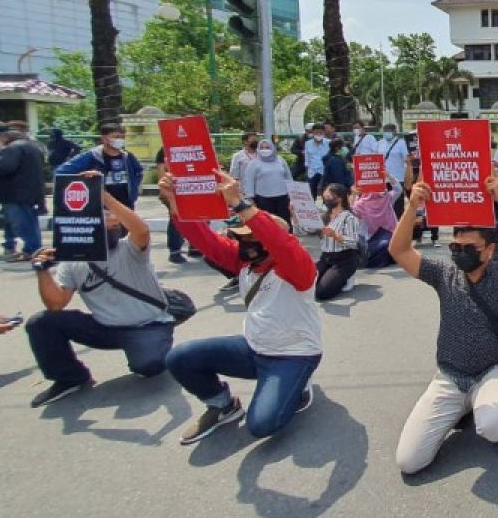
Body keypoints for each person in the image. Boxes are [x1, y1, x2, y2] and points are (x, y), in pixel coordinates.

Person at [389, 173, 498, 474]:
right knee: (408, 462)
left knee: (495, 426)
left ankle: (490, 414)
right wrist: (412, 207)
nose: (460, 253)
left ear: (488, 250)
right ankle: (464, 407)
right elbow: (400, 250)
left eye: (469, 248)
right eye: (455, 247)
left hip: (492, 370)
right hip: (449, 376)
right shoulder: (443, 274)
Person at [162, 171, 321, 445]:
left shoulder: (297, 269)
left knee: (261, 424)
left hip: (293, 355)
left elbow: (282, 244)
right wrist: (175, 206)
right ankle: (223, 405)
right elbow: (207, 242)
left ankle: (297, 385)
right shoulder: (245, 265)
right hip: (253, 348)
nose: (244, 242)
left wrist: (240, 204)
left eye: (251, 237)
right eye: (241, 237)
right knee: (179, 357)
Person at [24, 175, 174, 408]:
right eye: (104, 219)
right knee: (41, 322)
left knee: (148, 366)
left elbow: (141, 230)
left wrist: (101, 194)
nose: (112, 222)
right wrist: (41, 270)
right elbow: (56, 304)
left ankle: (160, 348)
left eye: (113, 220)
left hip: (147, 325)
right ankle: (69, 378)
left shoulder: (128, 249)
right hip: (106, 328)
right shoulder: (73, 262)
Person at [56, 123, 143, 208]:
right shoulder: (91, 156)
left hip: (126, 205)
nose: (120, 140)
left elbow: (138, 172)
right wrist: (85, 177)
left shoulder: (128, 157)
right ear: (104, 139)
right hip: (100, 206)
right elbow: (62, 171)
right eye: (116, 137)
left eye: (122, 137)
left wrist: (133, 191)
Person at [0, 124, 46, 263]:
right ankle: (10, 247)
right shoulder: (33, 148)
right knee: (18, 222)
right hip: (29, 192)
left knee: (22, 224)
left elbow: (5, 168)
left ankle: (32, 250)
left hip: (15, 193)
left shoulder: (12, 149)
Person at [315, 183, 360, 300]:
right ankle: (331, 276)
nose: (326, 200)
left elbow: (354, 242)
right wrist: (295, 213)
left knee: (322, 293)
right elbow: (305, 229)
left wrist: (335, 235)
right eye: (324, 197)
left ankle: (347, 277)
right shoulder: (324, 216)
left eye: (328, 197)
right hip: (326, 257)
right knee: (305, 285)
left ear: (339, 198)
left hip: (344, 259)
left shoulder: (349, 218)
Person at [242, 139, 293, 228]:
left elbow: (288, 177)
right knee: (268, 224)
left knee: (285, 222)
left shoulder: (281, 160)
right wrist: (250, 198)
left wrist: (292, 195)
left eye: (267, 147)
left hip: (282, 198)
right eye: (262, 148)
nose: (265, 150)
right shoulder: (253, 164)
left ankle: (286, 241)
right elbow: (249, 181)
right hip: (263, 199)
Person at [154, 147, 189, 265]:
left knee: (196, 218)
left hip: (190, 189)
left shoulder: (194, 146)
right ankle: (175, 251)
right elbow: (161, 171)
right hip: (172, 191)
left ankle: (195, 247)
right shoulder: (165, 149)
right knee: (175, 220)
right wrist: (165, 190)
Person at [351, 186, 398, 268]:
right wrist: (354, 194)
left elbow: (349, 212)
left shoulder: (386, 198)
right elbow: (349, 214)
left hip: (387, 238)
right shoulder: (361, 203)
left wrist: (354, 195)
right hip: (374, 241)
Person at [379, 123, 409, 218]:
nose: (387, 133)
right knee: (384, 204)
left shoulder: (401, 143)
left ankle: (398, 225)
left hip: (397, 178)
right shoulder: (380, 143)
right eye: (385, 131)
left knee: (398, 205)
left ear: (394, 132)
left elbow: (406, 159)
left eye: (389, 131)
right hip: (383, 179)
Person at [303, 126, 328, 197]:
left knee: (325, 194)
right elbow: (307, 160)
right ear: (313, 132)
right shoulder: (308, 143)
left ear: (324, 132)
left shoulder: (328, 143)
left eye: (321, 132)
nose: (319, 134)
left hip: (324, 172)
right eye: (317, 132)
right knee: (312, 194)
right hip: (312, 172)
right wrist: (307, 173)